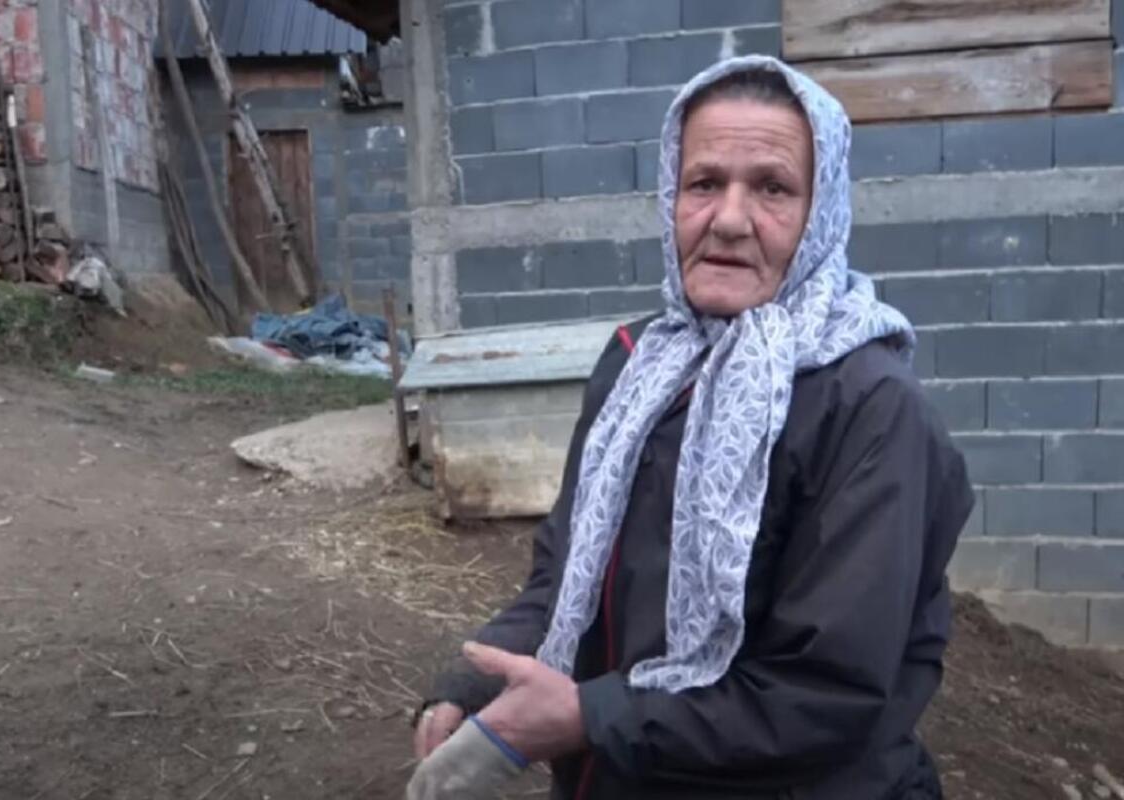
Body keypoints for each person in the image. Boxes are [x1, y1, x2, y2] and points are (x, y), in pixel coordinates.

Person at [409, 55, 973, 800]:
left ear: (822, 213)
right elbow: (567, 575)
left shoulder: (869, 409)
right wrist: (478, 680)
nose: (730, 220)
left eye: (772, 188)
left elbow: (825, 692)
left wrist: (587, 717)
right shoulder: (639, 364)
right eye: (704, 183)